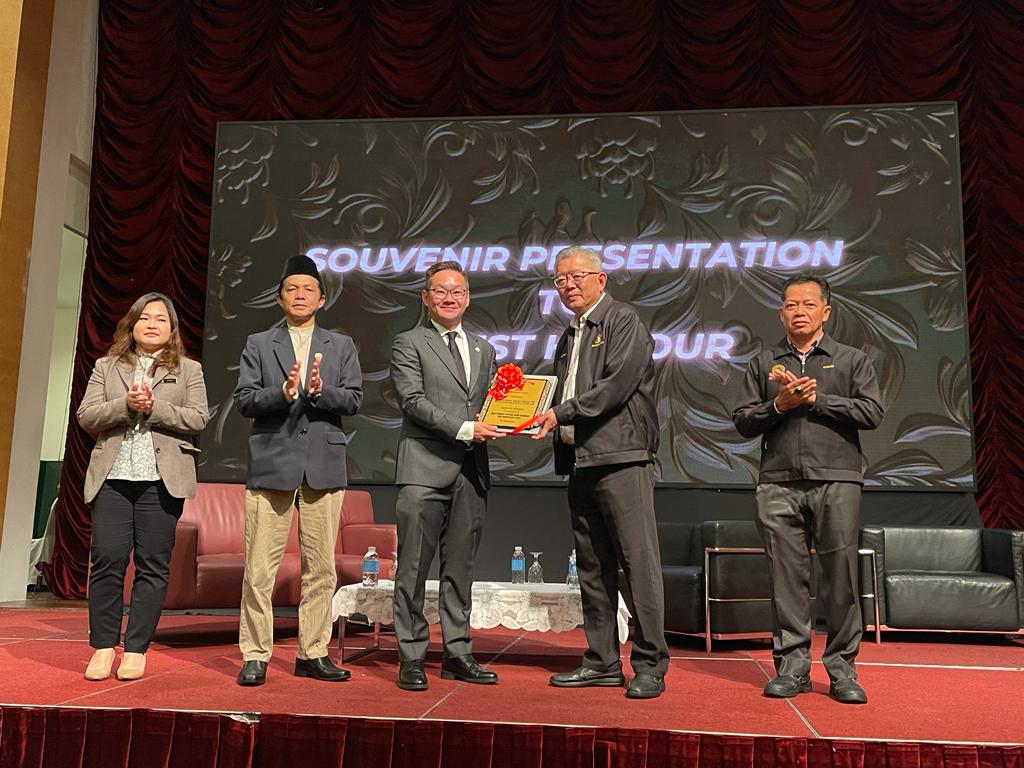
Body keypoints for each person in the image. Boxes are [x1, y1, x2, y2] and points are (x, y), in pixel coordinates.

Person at [732, 272, 884, 704]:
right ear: (781, 312)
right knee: (786, 580)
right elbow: (742, 420)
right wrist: (779, 405)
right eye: (791, 305)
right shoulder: (764, 364)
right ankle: (793, 668)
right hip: (778, 482)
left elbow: (872, 412)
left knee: (840, 580)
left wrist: (818, 400)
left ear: (826, 311)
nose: (799, 312)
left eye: (808, 305)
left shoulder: (852, 359)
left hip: (837, 480)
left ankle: (842, 670)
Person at [533, 246, 669, 700]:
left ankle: (649, 665)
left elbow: (615, 386)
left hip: (622, 459)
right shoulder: (568, 335)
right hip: (582, 462)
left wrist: (561, 412)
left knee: (637, 565)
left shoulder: (622, 320)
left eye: (577, 277)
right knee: (592, 568)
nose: (568, 286)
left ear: (601, 279)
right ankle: (602, 662)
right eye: (560, 280)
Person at [234, 254, 362, 686]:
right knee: (259, 568)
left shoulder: (340, 345)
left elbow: (354, 400)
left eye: (309, 289)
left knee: (321, 568)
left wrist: (322, 392)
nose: (301, 295)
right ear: (279, 298)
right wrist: (283, 391)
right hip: (272, 462)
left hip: (324, 466)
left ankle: (313, 652)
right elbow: (245, 400)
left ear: (321, 299)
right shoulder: (258, 343)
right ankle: (255, 654)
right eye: (293, 289)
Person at [78, 292, 209, 681]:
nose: (152, 324)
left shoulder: (189, 369)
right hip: (114, 478)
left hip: (161, 480)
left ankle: (135, 649)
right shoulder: (107, 366)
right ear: (132, 325)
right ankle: (103, 647)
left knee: (153, 566)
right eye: (145, 318)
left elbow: (198, 418)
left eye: (161, 320)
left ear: (171, 330)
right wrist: (125, 405)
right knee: (107, 562)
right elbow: (87, 415)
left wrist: (155, 408)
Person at [390, 260, 504, 691]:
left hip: (471, 473)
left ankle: (457, 652)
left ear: (468, 297)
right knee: (413, 568)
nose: (450, 297)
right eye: (440, 291)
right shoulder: (409, 343)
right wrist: (464, 429)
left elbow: (494, 404)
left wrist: (519, 419)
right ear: (425, 297)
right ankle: (412, 656)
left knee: (461, 569)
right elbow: (412, 401)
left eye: (457, 291)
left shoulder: (482, 348)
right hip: (422, 470)